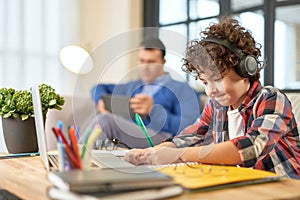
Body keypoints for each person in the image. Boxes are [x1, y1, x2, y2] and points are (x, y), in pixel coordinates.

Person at [124, 17, 300, 179]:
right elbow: (191, 136)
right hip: (243, 185)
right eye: (205, 82)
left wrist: (178, 155)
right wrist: (152, 152)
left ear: (245, 71)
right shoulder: (217, 106)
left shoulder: (271, 98)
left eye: (216, 79)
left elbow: (252, 147)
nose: (211, 91)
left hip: (285, 187)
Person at [87, 37, 201, 149]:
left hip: (162, 137)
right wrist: (100, 101)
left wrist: (153, 111)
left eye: (151, 62)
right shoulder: (133, 86)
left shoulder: (183, 89)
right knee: (97, 116)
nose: (145, 66)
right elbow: (98, 88)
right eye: (142, 61)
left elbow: (191, 127)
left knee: (105, 120)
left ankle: (77, 158)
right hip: (129, 133)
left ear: (163, 62)